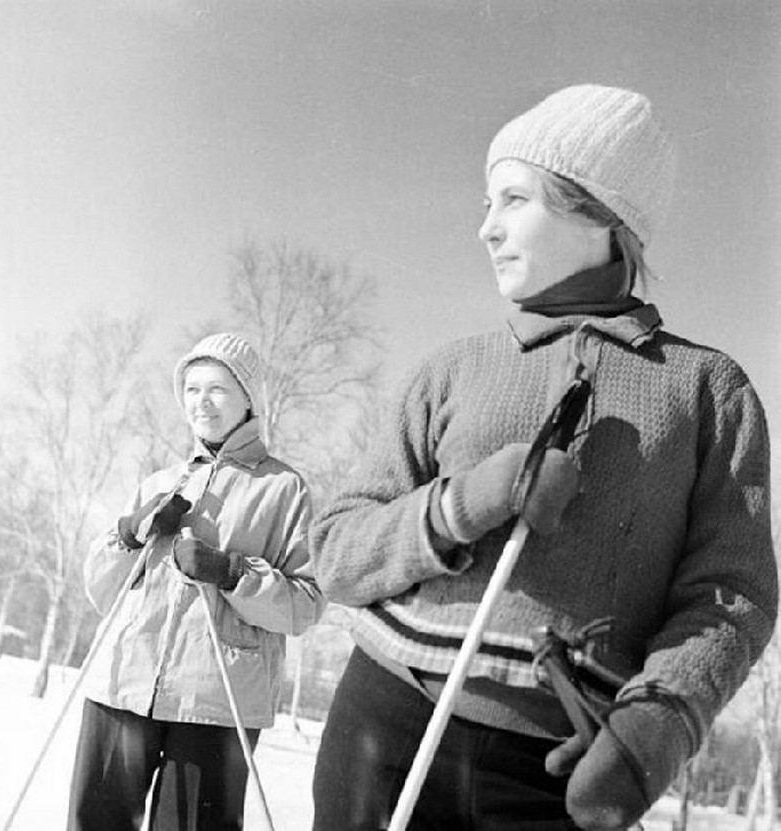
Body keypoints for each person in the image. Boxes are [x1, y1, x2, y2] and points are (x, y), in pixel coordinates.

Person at [309, 85, 777, 830]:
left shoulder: (708, 390)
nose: (486, 229)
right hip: (388, 724)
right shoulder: (452, 369)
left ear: (598, 211)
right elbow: (335, 551)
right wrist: (462, 502)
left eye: (512, 200)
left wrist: (658, 722)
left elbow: (732, 593)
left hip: (560, 773)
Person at [67, 332, 325, 831]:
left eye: (218, 389)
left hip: (217, 702)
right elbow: (102, 593)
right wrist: (128, 535)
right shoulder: (160, 480)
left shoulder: (283, 489)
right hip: (123, 682)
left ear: (247, 399)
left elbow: (306, 604)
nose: (201, 402)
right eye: (191, 389)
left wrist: (231, 573)